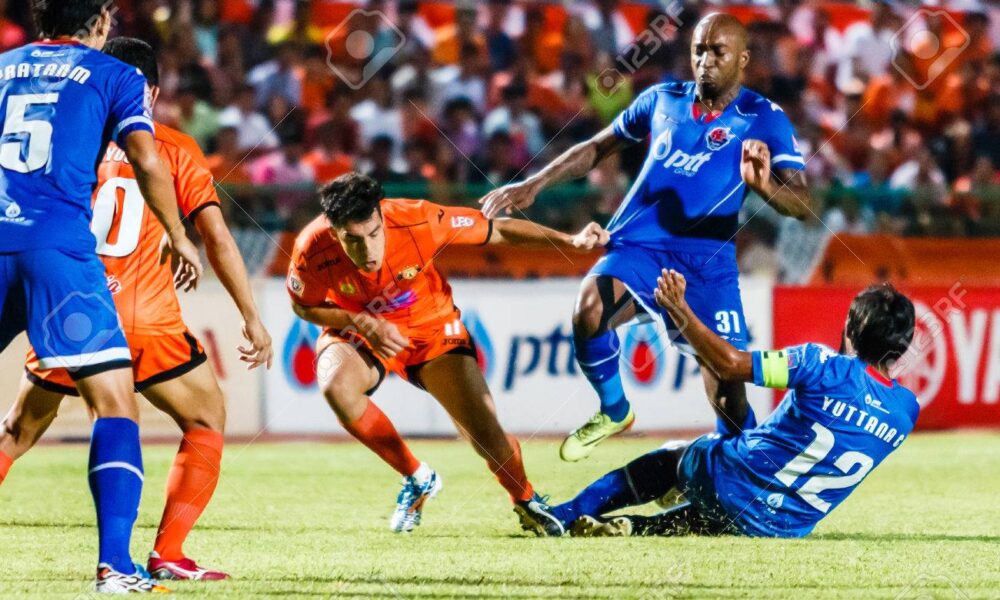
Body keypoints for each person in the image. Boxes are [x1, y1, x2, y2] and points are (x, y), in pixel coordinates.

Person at [481, 13, 814, 462]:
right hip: (638, 246)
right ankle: (615, 410)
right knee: (588, 309)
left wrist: (765, 188)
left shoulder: (764, 117)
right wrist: (532, 185)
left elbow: (804, 207)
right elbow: (595, 148)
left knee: (729, 396)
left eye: (718, 52)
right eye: (699, 49)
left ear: (743, 59)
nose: (706, 60)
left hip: (706, 263)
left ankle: (743, 467)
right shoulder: (661, 99)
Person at [0, 37, 274, 581]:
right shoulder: (171, 147)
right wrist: (250, 315)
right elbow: (216, 237)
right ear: (149, 90)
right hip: (147, 324)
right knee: (205, 418)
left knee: (18, 431)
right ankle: (165, 552)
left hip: (70, 306)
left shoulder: (67, 141)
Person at [0, 2, 202, 593]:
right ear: (101, 24)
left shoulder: (4, 66)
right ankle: (116, 564)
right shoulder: (117, 75)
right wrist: (179, 234)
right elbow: (144, 156)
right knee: (115, 405)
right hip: (61, 253)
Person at [288, 172, 609, 536]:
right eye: (354, 240)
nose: (369, 250)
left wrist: (571, 241)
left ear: (382, 214)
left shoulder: (419, 219)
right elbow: (304, 306)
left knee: (487, 435)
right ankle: (417, 477)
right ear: (333, 232)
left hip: (433, 330)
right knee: (335, 385)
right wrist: (360, 322)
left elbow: (497, 230)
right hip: (361, 330)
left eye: (375, 234)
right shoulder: (311, 247)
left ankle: (526, 500)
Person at [550, 275, 917, 538]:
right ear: (903, 344)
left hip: (731, 479)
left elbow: (730, 365)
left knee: (674, 458)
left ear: (851, 330)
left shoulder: (819, 364)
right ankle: (633, 528)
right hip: (783, 527)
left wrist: (681, 311)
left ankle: (569, 513)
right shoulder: (906, 411)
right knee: (720, 517)